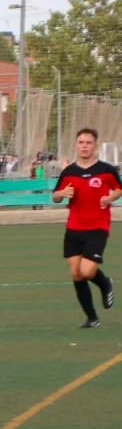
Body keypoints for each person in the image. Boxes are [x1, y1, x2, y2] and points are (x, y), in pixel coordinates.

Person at [51, 127, 121, 329]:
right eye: (81, 142)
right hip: (74, 228)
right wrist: (62, 193)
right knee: (76, 274)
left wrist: (111, 198)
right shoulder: (69, 172)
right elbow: (55, 197)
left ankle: (105, 283)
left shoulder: (107, 170)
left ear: (95, 146)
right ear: (76, 145)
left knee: (88, 271)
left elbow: (119, 189)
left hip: (98, 227)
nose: (84, 146)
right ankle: (92, 318)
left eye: (88, 143)